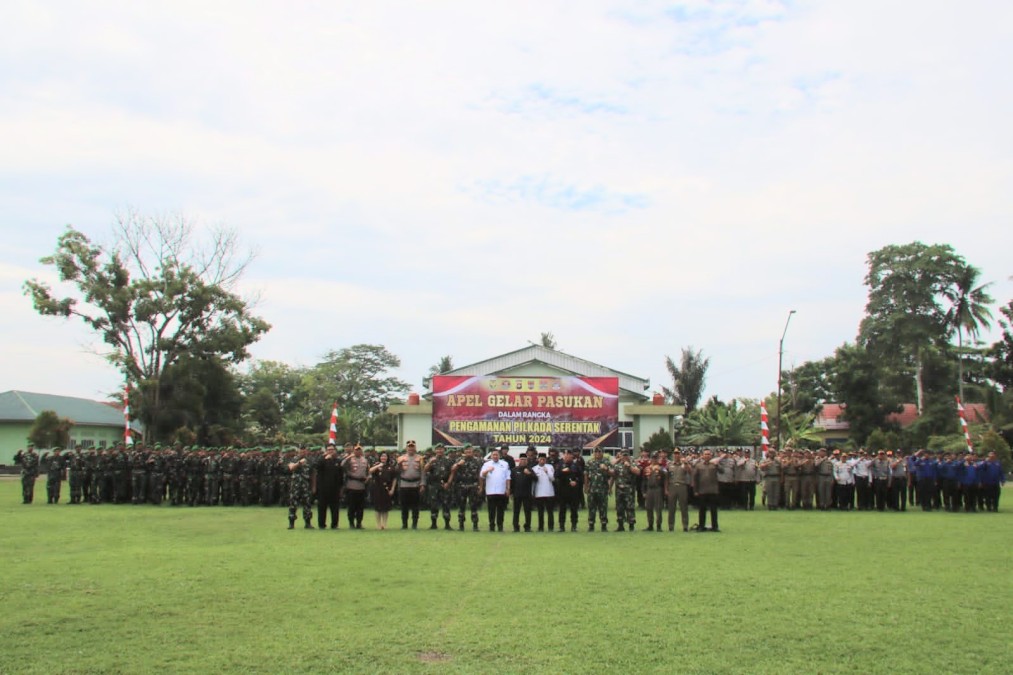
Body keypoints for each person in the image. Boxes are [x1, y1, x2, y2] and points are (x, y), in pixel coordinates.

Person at [446, 444, 483, 531]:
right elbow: (452, 470)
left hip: (473, 485)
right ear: (464, 452)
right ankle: (461, 525)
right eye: (466, 451)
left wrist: (481, 486)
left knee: (473, 506)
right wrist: (458, 464)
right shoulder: (459, 460)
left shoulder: (478, 461)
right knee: (461, 506)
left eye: (470, 451)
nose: (468, 453)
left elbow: (480, 475)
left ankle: (475, 525)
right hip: (461, 486)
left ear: (472, 452)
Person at [424, 443, 454, 529]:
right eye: (438, 449)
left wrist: (448, 483)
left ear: (444, 450)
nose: (439, 451)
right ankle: (434, 524)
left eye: (441, 449)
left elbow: (452, 472)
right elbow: (425, 470)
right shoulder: (431, 459)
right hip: (434, 485)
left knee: (446, 505)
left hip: (445, 484)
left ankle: (447, 524)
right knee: (434, 505)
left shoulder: (449, 460)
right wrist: (430, 462)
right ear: (435, 450)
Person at [315, 443, 344, 529]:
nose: (330, 451)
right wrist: (324, 459)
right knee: (322, 508)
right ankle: (321, 524)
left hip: (335, 489)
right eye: (328, 450)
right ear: (326, 451)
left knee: (335, 508)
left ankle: (334, 524)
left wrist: (341, 488)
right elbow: (316, 467)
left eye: (332, 449)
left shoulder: (338, 461)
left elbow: (341, 475)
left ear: (335, 450)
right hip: (323, 489)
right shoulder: (321, 459)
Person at [396, 440, 424, 529]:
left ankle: (414, 524)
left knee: (415, 507)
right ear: (406, 448)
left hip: (416, 484)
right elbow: (396, 471)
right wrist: (399, 465)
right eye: (409, 447)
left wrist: (422, 484)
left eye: (412, 447)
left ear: (415, 448)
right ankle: (404, 524)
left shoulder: (420, 458)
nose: (411, 448)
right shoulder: (401, 458)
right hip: (404, 484)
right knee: (404, 506)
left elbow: (423, 472)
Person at [481, 448, 511, 532]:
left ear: (499, 455)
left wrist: (508, 488)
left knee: (501, 510)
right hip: (490, 491)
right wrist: (487, 470)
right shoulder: (487, 464)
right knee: (491, 510)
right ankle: (491, 526)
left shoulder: (505, 464)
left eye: (496, 455)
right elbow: (482, 475)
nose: (495, 456)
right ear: (491, 456)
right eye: (493, 455)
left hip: (501, 491)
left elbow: (508, 477)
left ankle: (500, 526)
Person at [584, 448, 613, 532]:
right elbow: (586, 475)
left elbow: (613, 474)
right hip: (592, 489)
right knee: (591, 508)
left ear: (602, 453)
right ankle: (591, 525)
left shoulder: (606, 462)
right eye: (595, 452)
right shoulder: (589, 463)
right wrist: (585, 487)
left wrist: (606, 469)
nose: (597, 453)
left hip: (603, 489)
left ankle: (604, 525)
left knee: (603, 508)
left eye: (599, 451)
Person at [341, 444, 370, 529]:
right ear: (354, 451)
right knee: (351, 506)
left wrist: (368, 478)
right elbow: (342, 465)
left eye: (359, 450)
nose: (358, 452)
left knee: (360, 507)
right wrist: (349, 457)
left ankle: (359, 523)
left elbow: (368, 471)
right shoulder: (350, 459)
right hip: (352, 485)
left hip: (361, 486)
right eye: (356, 450)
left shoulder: (365, 460)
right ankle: (351, 523)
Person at [692, 449, 721, 531]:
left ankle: (715, 526)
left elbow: (722, 471)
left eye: (708, 454)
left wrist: (718, 465)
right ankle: (701, 526)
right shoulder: (698, 466)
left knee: (713, 510)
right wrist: (695, 490)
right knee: (702, 510)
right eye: (705, 454)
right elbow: (695, 479)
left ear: (711, 456)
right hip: (702, 491)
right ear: (702, 455)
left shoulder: (714, 465)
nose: (707, 456)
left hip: (713, 490)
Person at [555, 449, 583, 532]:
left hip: (573, 491)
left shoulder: (576, 465)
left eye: (569, 455)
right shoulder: (560, 465)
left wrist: (576, 481)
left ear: (571, 456)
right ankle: (561, 526)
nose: (567, 456)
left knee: (574, 509)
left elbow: (581, 477)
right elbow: (556, 475)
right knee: (562, 509)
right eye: (565, 455)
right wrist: (562, 471)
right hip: (562, 491)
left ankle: (574, 525)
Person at [613, 450, 640, 531]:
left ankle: (631, 525)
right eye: (623, 455)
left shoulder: (632, 464)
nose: (624, 457)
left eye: (626, 455)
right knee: (619, 507)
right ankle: (620, 525)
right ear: (620, 456)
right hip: (619, 489)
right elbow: (613, 474)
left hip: (629, 489)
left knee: (630, 507)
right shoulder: (617, 465)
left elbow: (638, 472)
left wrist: (629, 466)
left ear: (628, 456)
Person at [665, 450, 692, 532]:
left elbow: (690, 472)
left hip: (682, 486)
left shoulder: (684, 464)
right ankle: (671, 526)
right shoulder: (669, 465)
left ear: (681, 455)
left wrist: (686, 463)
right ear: (673, 455)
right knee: (671, 507)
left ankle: (685, 525)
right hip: (672, 486)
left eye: (678, 454)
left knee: (684, 507)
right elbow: (666, 478)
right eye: (675, 454)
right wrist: (666, 489)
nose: (676, 455)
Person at [286, 449, 314, 529]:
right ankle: (291, 523)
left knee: (307, 504)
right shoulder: (294, 459)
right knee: (293, 504)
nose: (303, 453)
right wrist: (299, 463)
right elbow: (291, 468)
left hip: (306, 485)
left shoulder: (310, 460)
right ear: (298, 452)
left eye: (305, 451)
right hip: (296, 486)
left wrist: (314, 487)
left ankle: (308, 523)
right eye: (301, 451)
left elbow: (313, 474)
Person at [368, 452, 396, 530]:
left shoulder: (390, 467)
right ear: (380, 457)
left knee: (385, 508)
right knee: (378, 508)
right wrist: (378, 466)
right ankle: (378, 525)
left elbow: (394, 478)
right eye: (382, 456)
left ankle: (384, 524)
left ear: (387, 457)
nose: (383, 458)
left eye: (385, 456)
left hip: (387, 488)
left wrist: (392, 489)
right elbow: (370, 471)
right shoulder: (376, 465)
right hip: (377, 488)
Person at [510, 454, 534, 532]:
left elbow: (536, 479)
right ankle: (516, 526)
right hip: (517, 494)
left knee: (527, 511)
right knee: (516, 511)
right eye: (522, 459)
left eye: (524, 459)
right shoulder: (514, 470)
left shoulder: (530, 469)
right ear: (519, 460)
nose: (523, 461)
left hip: (527, 494)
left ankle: (527, 526)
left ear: (527, 461)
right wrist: (511, 492)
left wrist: (529, 474)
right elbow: (511, 482)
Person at [531, 453, 555, 532]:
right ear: (538, 459)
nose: (542, 461)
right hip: (539, 493)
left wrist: (547, 472)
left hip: (549, 493)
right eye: (540, 459)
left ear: (546, 460)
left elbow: (552, 479)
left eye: (544, 459)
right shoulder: (534, 468)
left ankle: (550, 527)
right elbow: (533, 482)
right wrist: (532, 492)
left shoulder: (550, 467)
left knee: (550, 511)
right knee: (540, 512)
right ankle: (540, 527)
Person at [642, 454, 664, 531]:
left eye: (656, 458)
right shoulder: (647, 468)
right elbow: (644, 481)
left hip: (658, 489)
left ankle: (658, 525)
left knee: (658, 508)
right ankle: (650, 525)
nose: (654, 460)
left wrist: (659, 470)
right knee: (649, 508)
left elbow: (665, 477)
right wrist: (644, 491)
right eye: (653, 458)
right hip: (649, 489)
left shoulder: (661, 468)